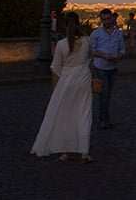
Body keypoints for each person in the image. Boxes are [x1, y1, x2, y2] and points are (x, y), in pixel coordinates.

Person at [31, 12, 93, 163]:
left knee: (65, 115)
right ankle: (84, 152)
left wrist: (55, 89)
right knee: (84, 115)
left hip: (66, 80)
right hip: (83, 78)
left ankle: (64, 151)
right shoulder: (87, 40)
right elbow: (90, 58)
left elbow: (55, 68)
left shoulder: (61, 45)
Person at [91, 8, 126, 130]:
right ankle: (104, 119)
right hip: (101, 67)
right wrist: (105, 55)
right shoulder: (96, 34)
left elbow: (122, 49)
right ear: (101, 20)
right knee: (104, 93)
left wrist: (118, 57)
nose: (106, 21)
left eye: (108, 19)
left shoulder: (118, 33)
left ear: (111, 18)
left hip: (113, 67)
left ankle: (104, 117)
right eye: (104, 19)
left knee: (108, 93)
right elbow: (92, 50)